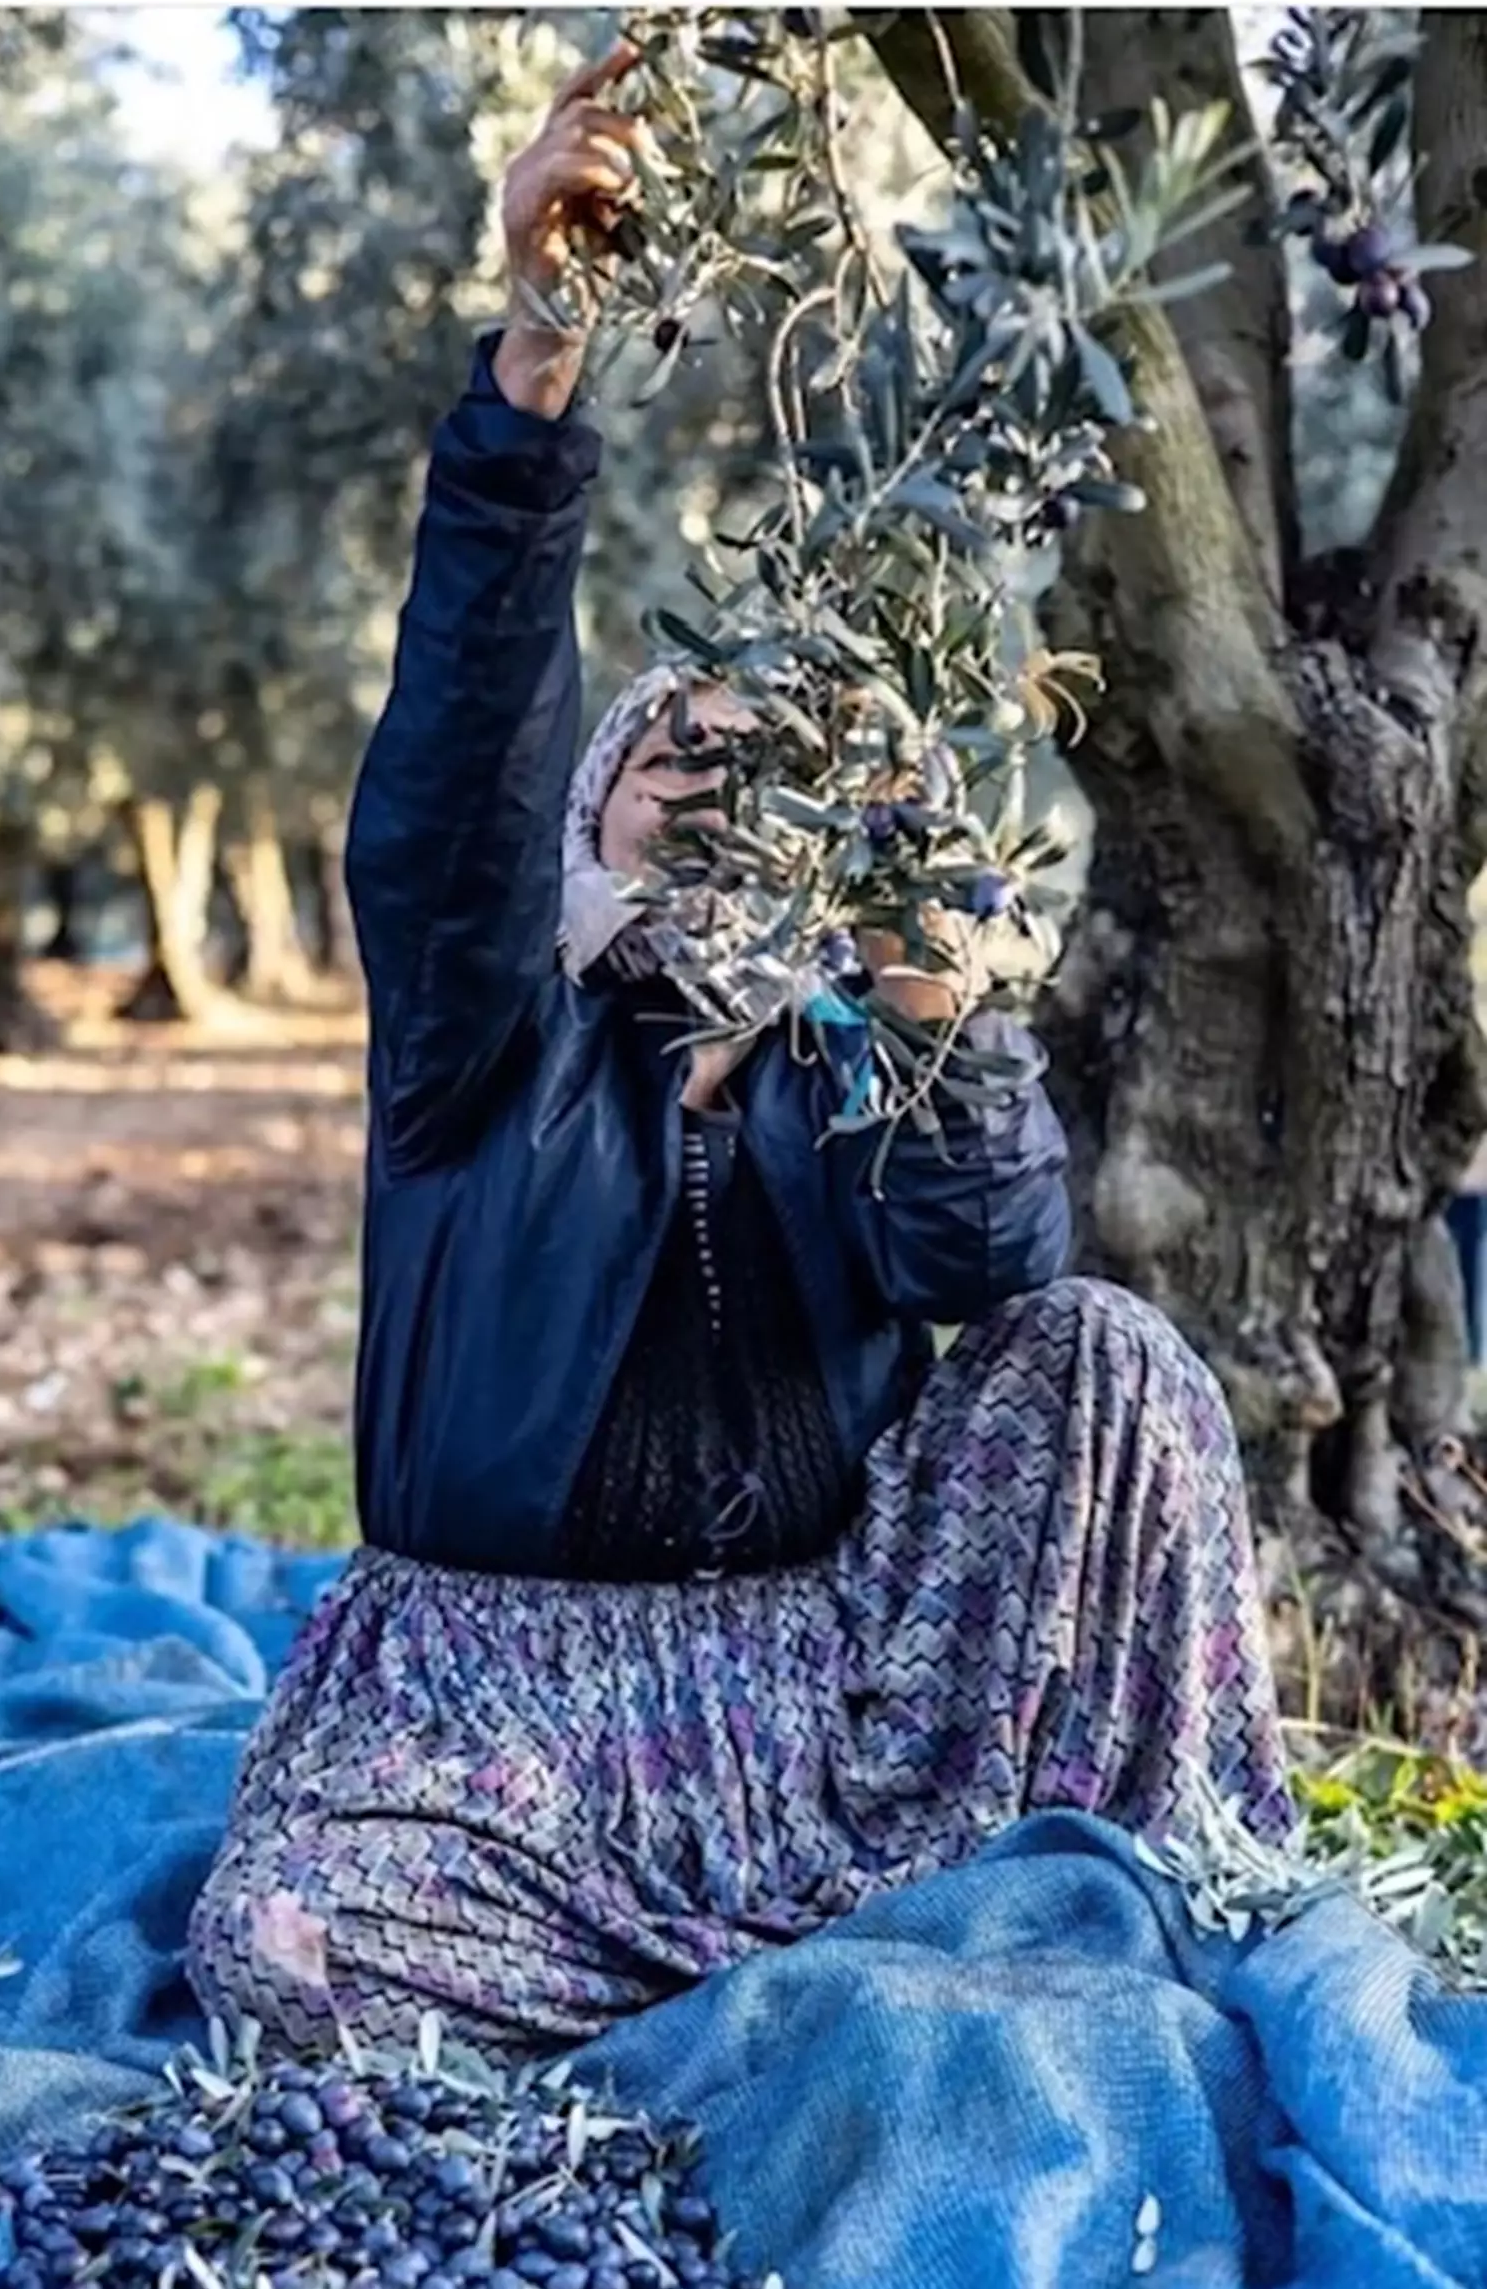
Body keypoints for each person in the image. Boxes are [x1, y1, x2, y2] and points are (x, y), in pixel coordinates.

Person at [188, 47, 1294, 2060]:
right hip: (500, 1699)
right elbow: (459, 753)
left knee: (1109, 1355)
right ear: (586, 808)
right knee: (299, 1960)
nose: (706, 790)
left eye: (760, 775)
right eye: (664, 757)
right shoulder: (482, 1032)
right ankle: (819, 1976)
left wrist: (937, 1005)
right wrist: (538, 357)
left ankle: (1016, 1889)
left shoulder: (843, 1060)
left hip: (820, 1691)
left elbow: (990, 1270)